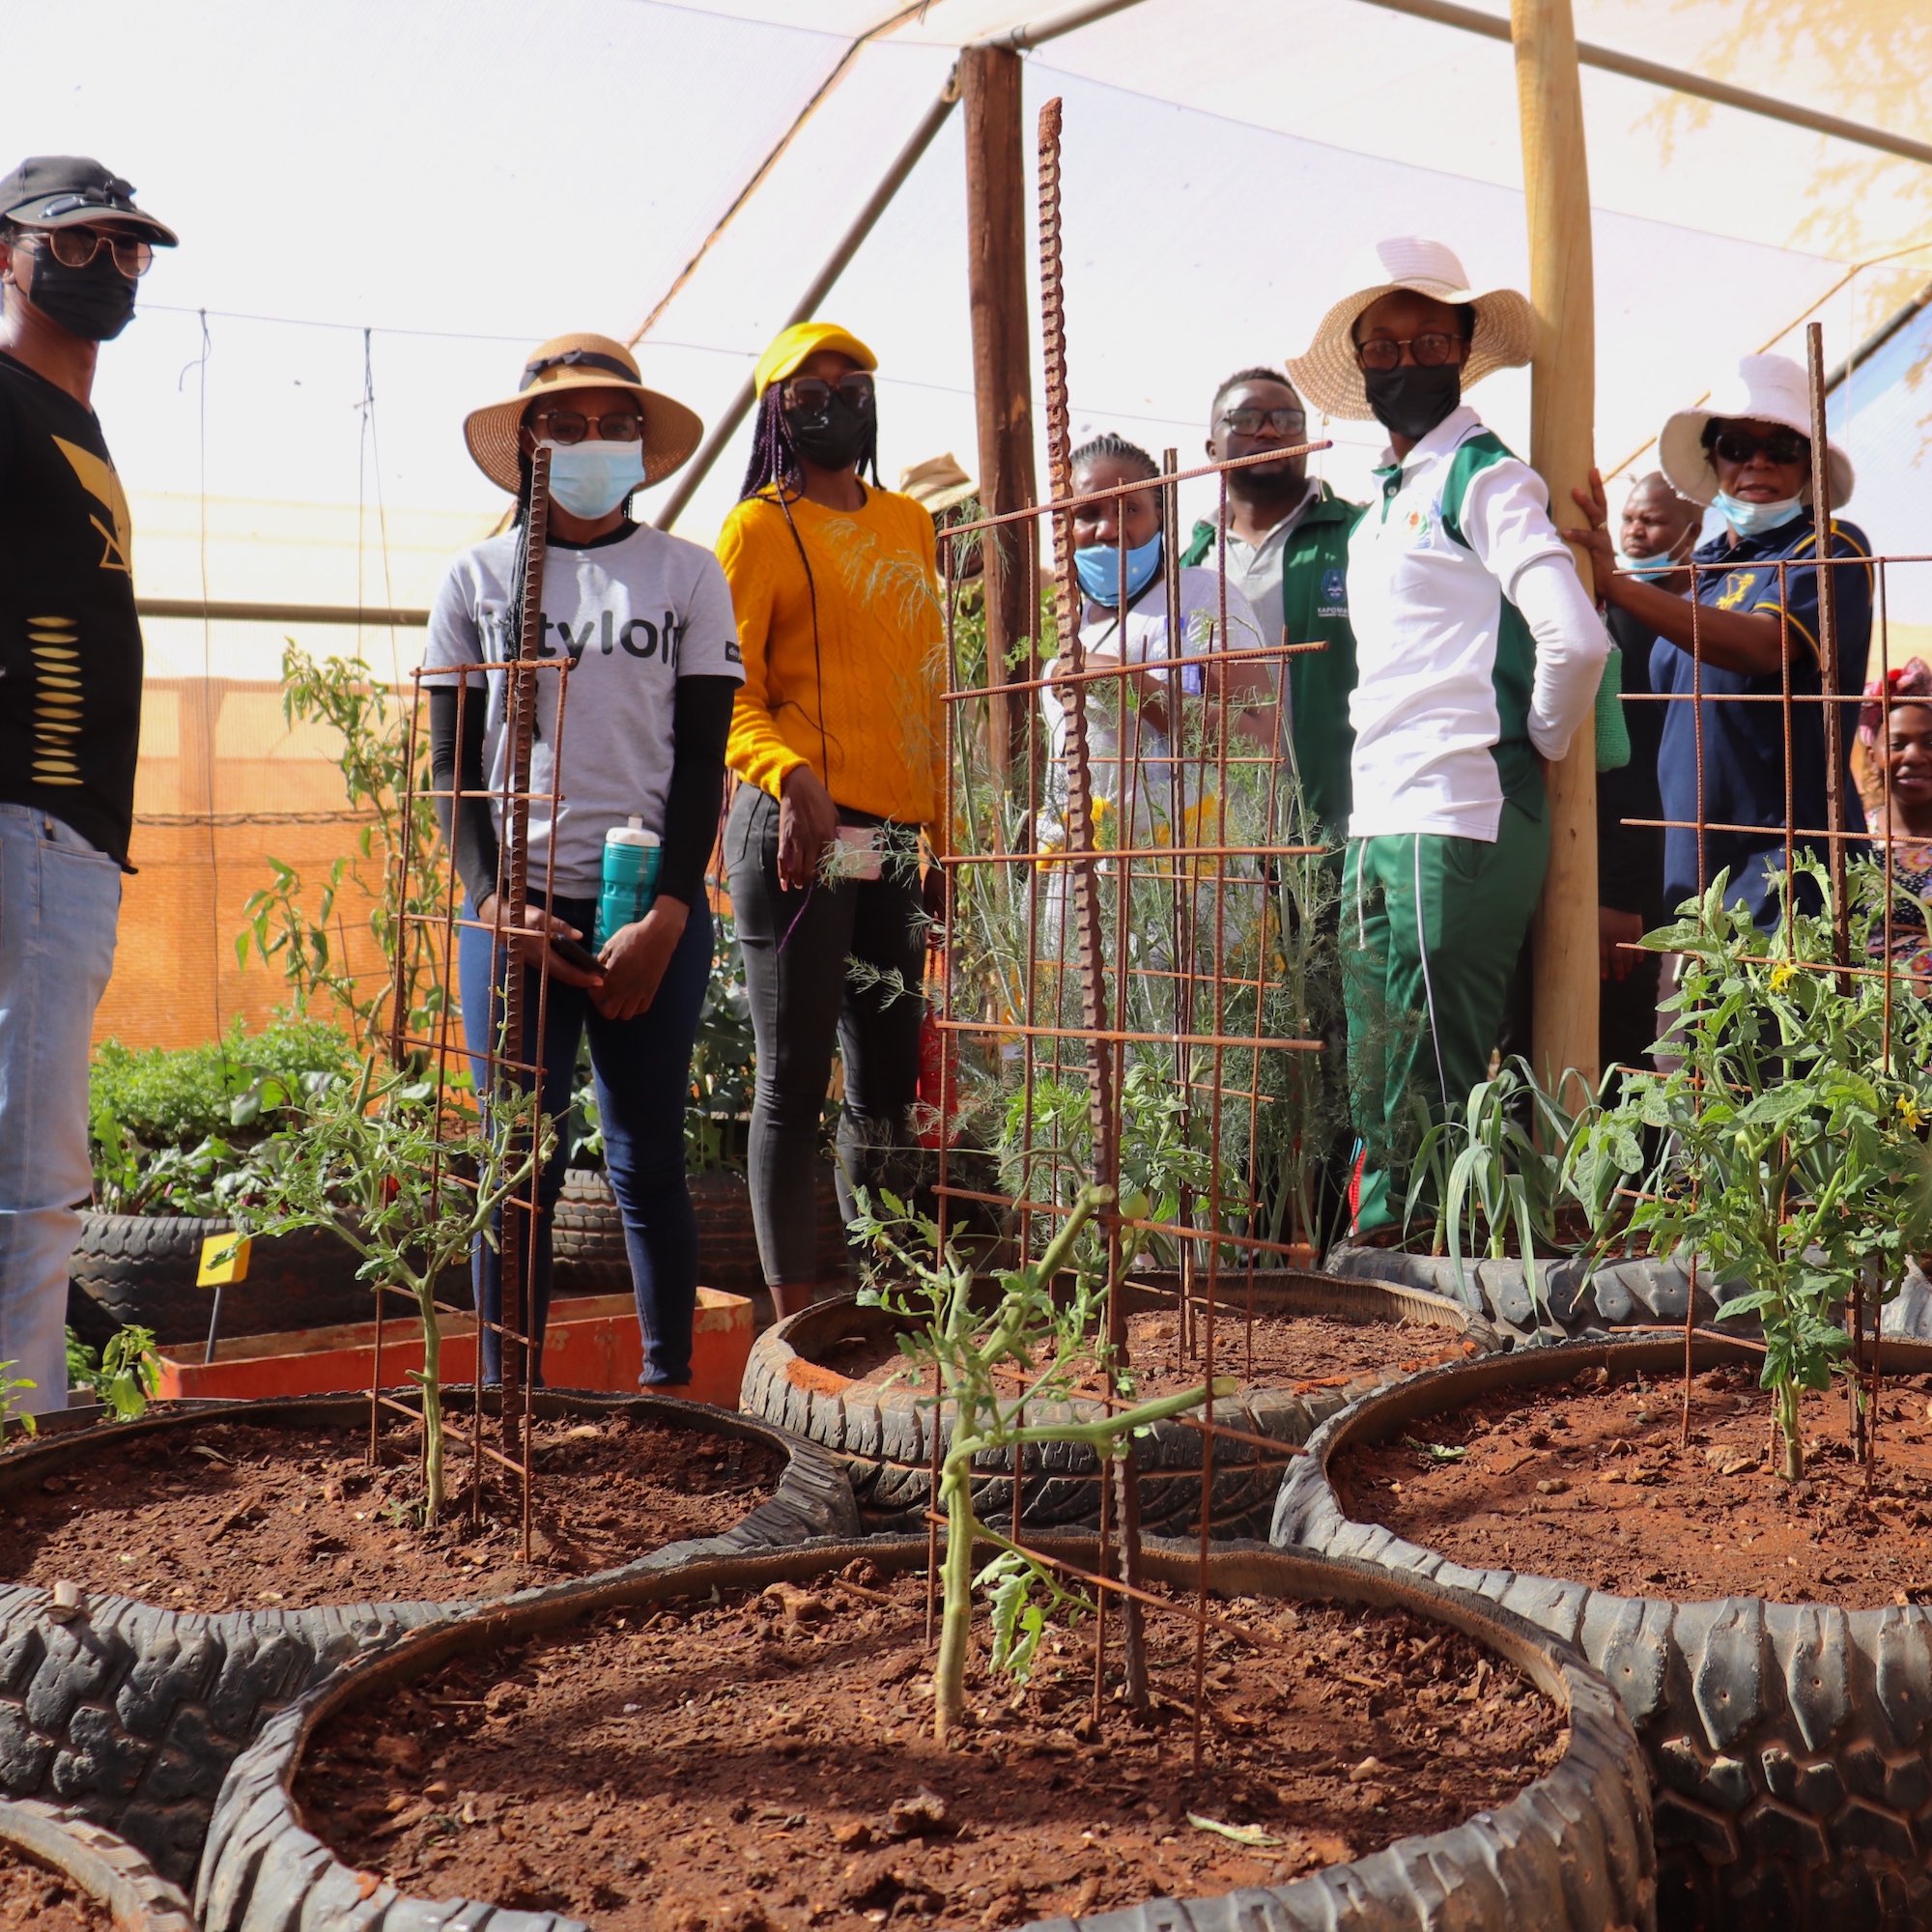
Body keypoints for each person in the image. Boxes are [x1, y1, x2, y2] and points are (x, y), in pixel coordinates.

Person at [425, 332, 741, 1387]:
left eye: (616, 425)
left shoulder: (687, 575)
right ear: (526, 443)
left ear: (646, 448)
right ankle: (507, 1400)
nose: (593, 442)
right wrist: (491, 897)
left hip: (643, 902)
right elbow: (450, 770)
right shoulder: (473, 580)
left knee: (647, 1158)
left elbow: (702, 756)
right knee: (517, 1163)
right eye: (565, 424)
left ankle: (667, 1391)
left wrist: (667, 912)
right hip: (517, 911)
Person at [1286, 237, 1608, 1237]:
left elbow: (1573, 636)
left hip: (1455, 811)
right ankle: (1386, 1248)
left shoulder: (1483, 476)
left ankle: (1439, 1269)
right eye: (1379, 348)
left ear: (1463, 349)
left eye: (1425, 338)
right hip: (1382, 813)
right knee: (1376, 1062)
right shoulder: (1381, 503)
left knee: (1433, 1063)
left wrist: (1539, 744)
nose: (1401, 362)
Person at [719, 322, 944, 1317]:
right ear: (776, 413)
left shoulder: (908, 524)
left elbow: (924, 692)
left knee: (889, 1078)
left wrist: (940, 832)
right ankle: (794, 1323)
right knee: (793, 1075)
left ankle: (890, 1294)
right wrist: (789, 772)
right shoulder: (757, 529)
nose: (832, 400)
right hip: (800, 832)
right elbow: (726, 692)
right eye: (807, 391)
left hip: (892, 839)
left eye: (849, 384)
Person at [0, 157, 177, 1414]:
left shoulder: (75, 420)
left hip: (66, 835)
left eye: (128, 249)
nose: (108, 268)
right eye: (75, 245)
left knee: (31, 1153)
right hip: (28, 818)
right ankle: (25, 1430)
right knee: (34, 1162)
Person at [1569, 353, 1873, 931]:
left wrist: (1617, 584)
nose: (1758, 462)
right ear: (1713, 459)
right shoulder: (1701, 570)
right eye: (1737, 445)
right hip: (1694, 875)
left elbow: (1765, 646)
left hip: (1789, 871)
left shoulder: (1828, 546)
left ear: (1809, 465)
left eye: (1781, 448)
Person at [1040, 431, 1271, 858]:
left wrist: (1134, 687)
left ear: (1161, 518)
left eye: (1130, 508)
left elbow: (1260, 743)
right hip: (1083, 868)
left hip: (1182, 871)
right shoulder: (1070, 620)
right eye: (1088, 512)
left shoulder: (1200, 595)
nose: (1109, 528)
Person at [1180, 367, 1363, 842]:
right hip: (1224, 840)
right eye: (1244, 418)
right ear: (1211, 447)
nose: (1267, 430)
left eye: (1286, 419)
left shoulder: (1360, 536)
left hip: (1342, 823)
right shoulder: (1189, 565)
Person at [1597, 472, 1701, 1068]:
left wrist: (1622, 891)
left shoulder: (1680, 620)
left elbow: (1639, 773)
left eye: (1653, 520)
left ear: (1693, 532)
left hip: (1637, 866)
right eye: (1630, 517)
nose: (1636, 530)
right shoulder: (1613, 605)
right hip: (1596, 862)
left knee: (1627, 1042)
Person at [1854, 661, 1932, 980]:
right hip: (1862, 1018)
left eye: (1930, 743)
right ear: (1873, 754)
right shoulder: (1855, 832)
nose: (1915, 755)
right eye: (1898, 744)